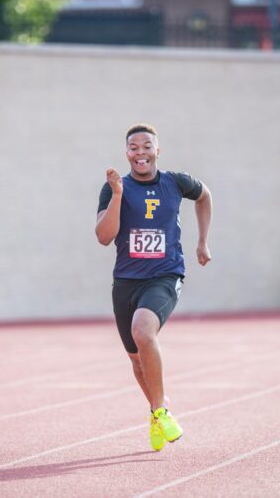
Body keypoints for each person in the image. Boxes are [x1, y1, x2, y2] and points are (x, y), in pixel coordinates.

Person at [95, 123, 212, 451]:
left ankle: (162, 410)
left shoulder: (176, 182)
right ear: (126, 152)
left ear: (157, 151)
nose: (140, 152)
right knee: (135, 360)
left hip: (165, 275)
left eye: (147, 146)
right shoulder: (114, 188)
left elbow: (205, 196)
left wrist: (202, 242)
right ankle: (155, 412)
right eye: (134, 147)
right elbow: (104, 237)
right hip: (126, 282)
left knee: (143, 332)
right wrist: (117, 194)